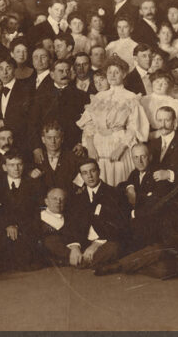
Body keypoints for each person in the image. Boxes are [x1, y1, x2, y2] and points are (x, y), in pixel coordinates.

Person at [77, 57, 150, 186]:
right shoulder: (99, 97)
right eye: (110, 72)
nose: (112, 75)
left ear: (124, 74)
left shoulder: (131, 97)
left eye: (116, 72)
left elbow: (133, 127)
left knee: (119, 184)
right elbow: (89, 124)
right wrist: (91, 147)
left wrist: (121, 149)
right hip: (98, 146)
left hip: (119, 146)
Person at [0, 149, 44, 272]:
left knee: (22, 254)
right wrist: (8, 224)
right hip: (2, 228)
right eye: (11, 165)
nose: (16, 169)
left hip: (24, 229)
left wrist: (17, 226)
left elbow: (35, 213)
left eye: (19, 164)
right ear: (4, 167)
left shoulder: (34, 185)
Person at [63, 160, 127, 270]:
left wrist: (96, 245)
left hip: (104, 242)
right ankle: (86, 259)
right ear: (81, 176)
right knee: (52, 241)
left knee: (114, 248)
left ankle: (80, 261)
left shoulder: (114, 193)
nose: (90, 176)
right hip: (83, 242)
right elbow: (71, 225)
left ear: (99, 172)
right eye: (85, 173)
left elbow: (119, 226)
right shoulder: (77, 197)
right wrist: (74, 247)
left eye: (92, 171)